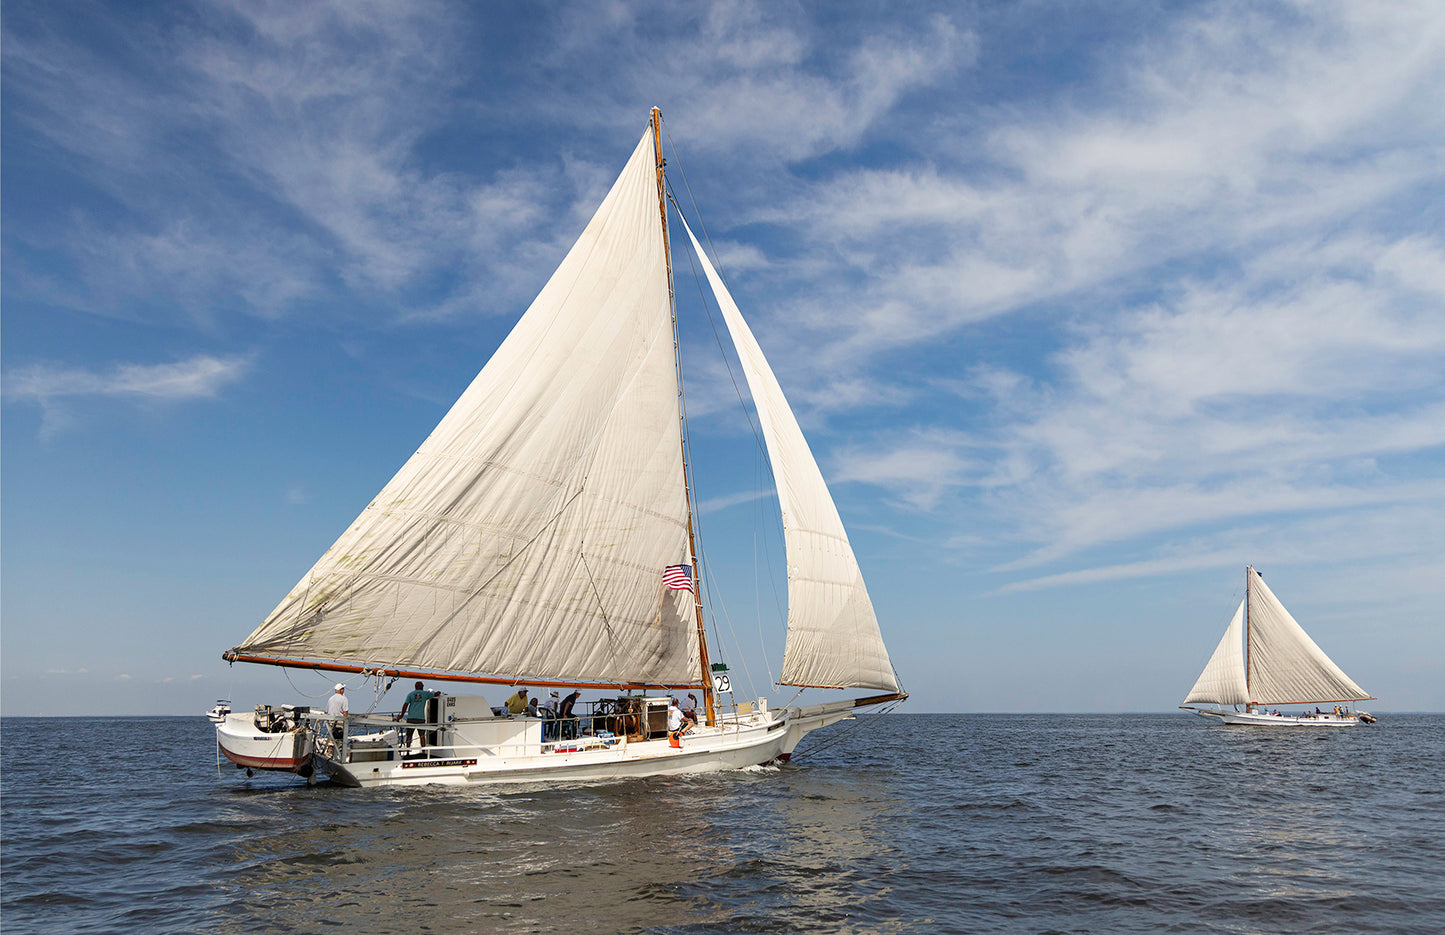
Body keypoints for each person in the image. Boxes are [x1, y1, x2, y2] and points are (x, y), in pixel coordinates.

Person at [394, 680, 436, 748]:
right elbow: (435, 694)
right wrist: (438, 692)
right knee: (422, 736)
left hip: (411, 717)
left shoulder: (410, 694)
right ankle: (423, 752)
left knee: (409, 736)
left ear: (415, 687)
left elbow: (405, 705)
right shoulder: (425, 694)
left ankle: (407, 751)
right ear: (422, 687)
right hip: (420, 718)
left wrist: (401, 716)